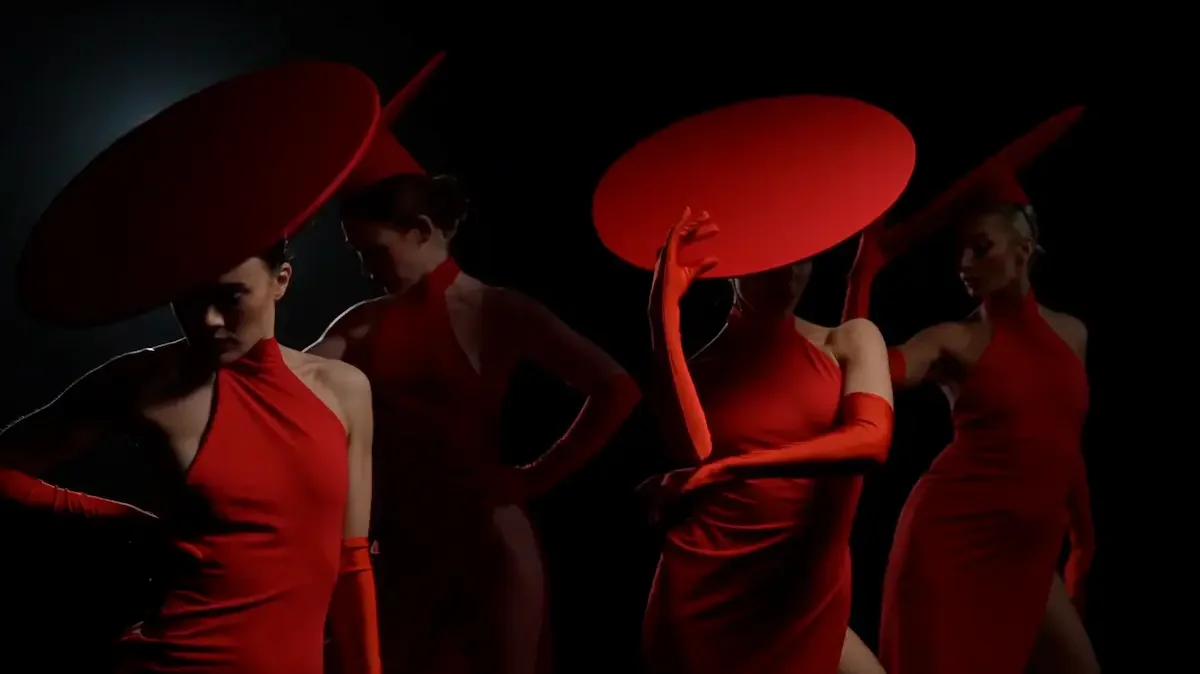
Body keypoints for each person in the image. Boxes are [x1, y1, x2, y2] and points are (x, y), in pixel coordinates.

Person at [1, 61, 385, 673]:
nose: (206, 320)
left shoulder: (343, 390)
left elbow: (350, 563)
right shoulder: (143, 383)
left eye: (230, 296)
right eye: (188, 295)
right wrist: (126, 523)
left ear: (280, 282)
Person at [307, 53, 642, 674]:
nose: (364, 266)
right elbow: (290, 386)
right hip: (402, 547)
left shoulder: (494, 309)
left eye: (372, 249)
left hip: (487, 540)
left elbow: (616, 387)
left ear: (422, 229)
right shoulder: (361, 322)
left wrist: (533, 478)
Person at [842, 108, 1098, 674]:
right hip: (951, 546)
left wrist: (1083, 543)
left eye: (979, 248)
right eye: (959, 250)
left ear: (1023, 246)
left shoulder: (1072, 335)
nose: (963, 264)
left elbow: (1064, 444)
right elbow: (854, 369)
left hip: (1031, 556)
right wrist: (864, 276)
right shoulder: (953, 341)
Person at [640, 209, 894, 674]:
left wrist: (730, 468)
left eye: (801, 258)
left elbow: (871, 441)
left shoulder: (850, 341)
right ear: (734, 269)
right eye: (773, 261)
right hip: (709, 593)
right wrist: (663, 317)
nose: (791, 273)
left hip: (801, 591)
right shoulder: (701, 370)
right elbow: (689, 450)